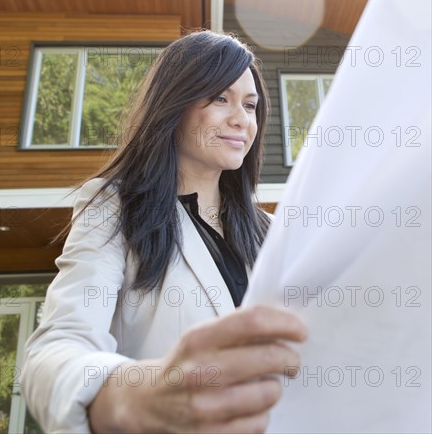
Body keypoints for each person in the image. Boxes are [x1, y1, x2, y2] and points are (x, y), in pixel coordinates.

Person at [20, 31, 307, 433]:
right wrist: (125, 399)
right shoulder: (114, 207)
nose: (242, 119)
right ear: (175, 103)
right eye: (221, 99)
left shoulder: (272, 233)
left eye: (251, 105)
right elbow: (53, 352)